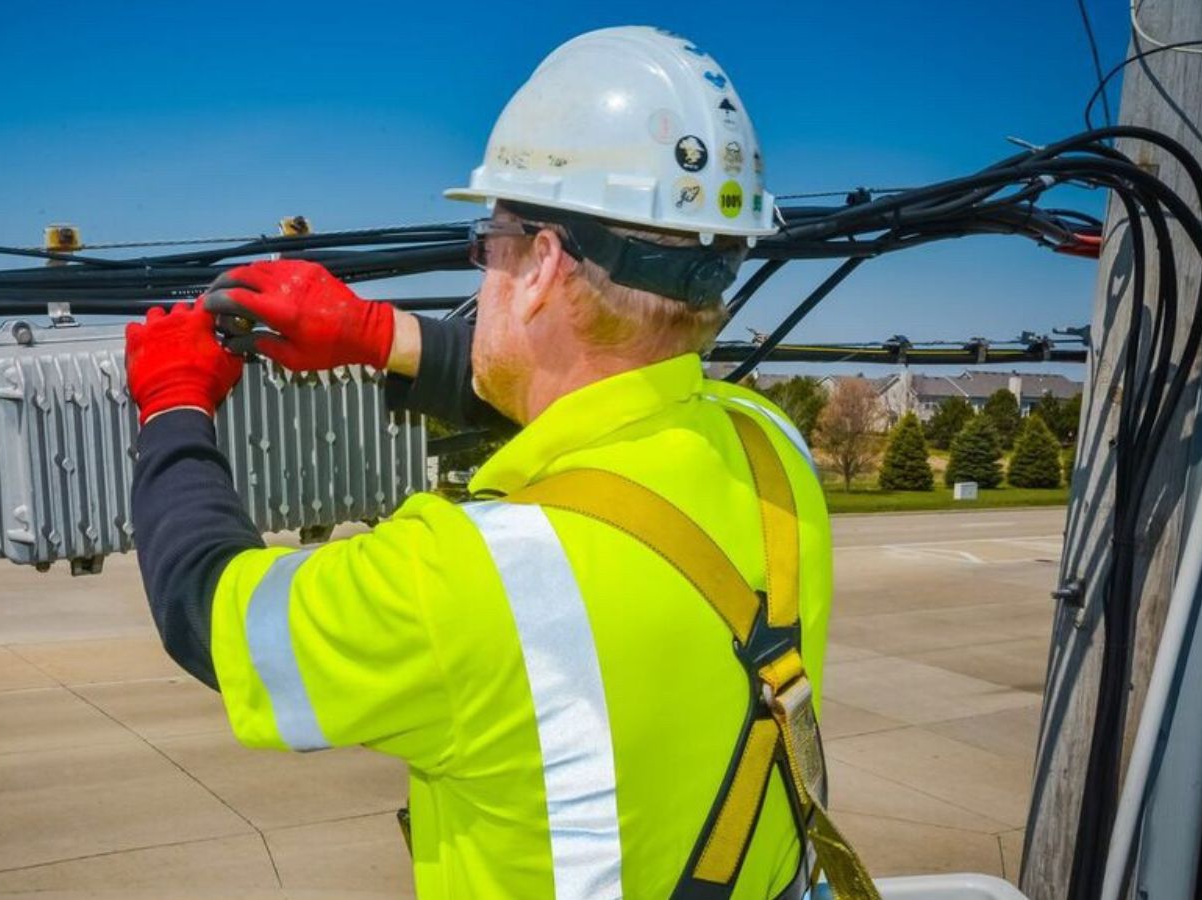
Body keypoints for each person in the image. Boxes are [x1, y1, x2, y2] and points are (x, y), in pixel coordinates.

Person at [125, 27, 844, 900]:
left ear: (543, 264)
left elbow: (213, 613)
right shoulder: (773, 449)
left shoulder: (473, 581)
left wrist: (171, 402)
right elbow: (579, 389)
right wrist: (372, 334)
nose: (484, 266)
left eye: (489, 241)